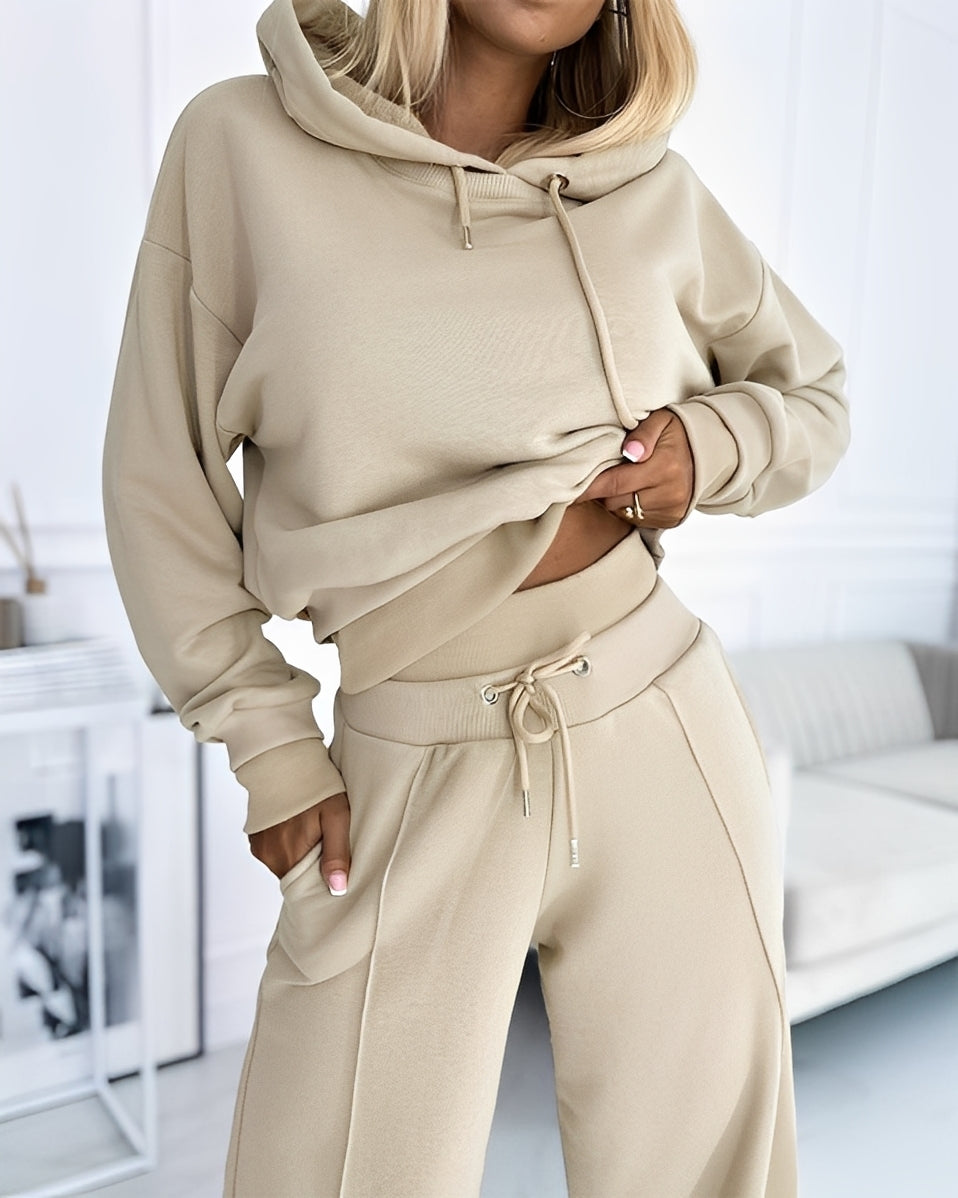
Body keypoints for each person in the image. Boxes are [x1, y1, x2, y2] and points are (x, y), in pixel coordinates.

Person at [101, 1, 850, 1194]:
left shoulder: (647, 188)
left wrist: (710, 447)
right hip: (408, 755)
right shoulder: (241, 146)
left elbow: (812, 395)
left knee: (706, 1173)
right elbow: (160, 483)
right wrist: (270, 747)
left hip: (661, 712)